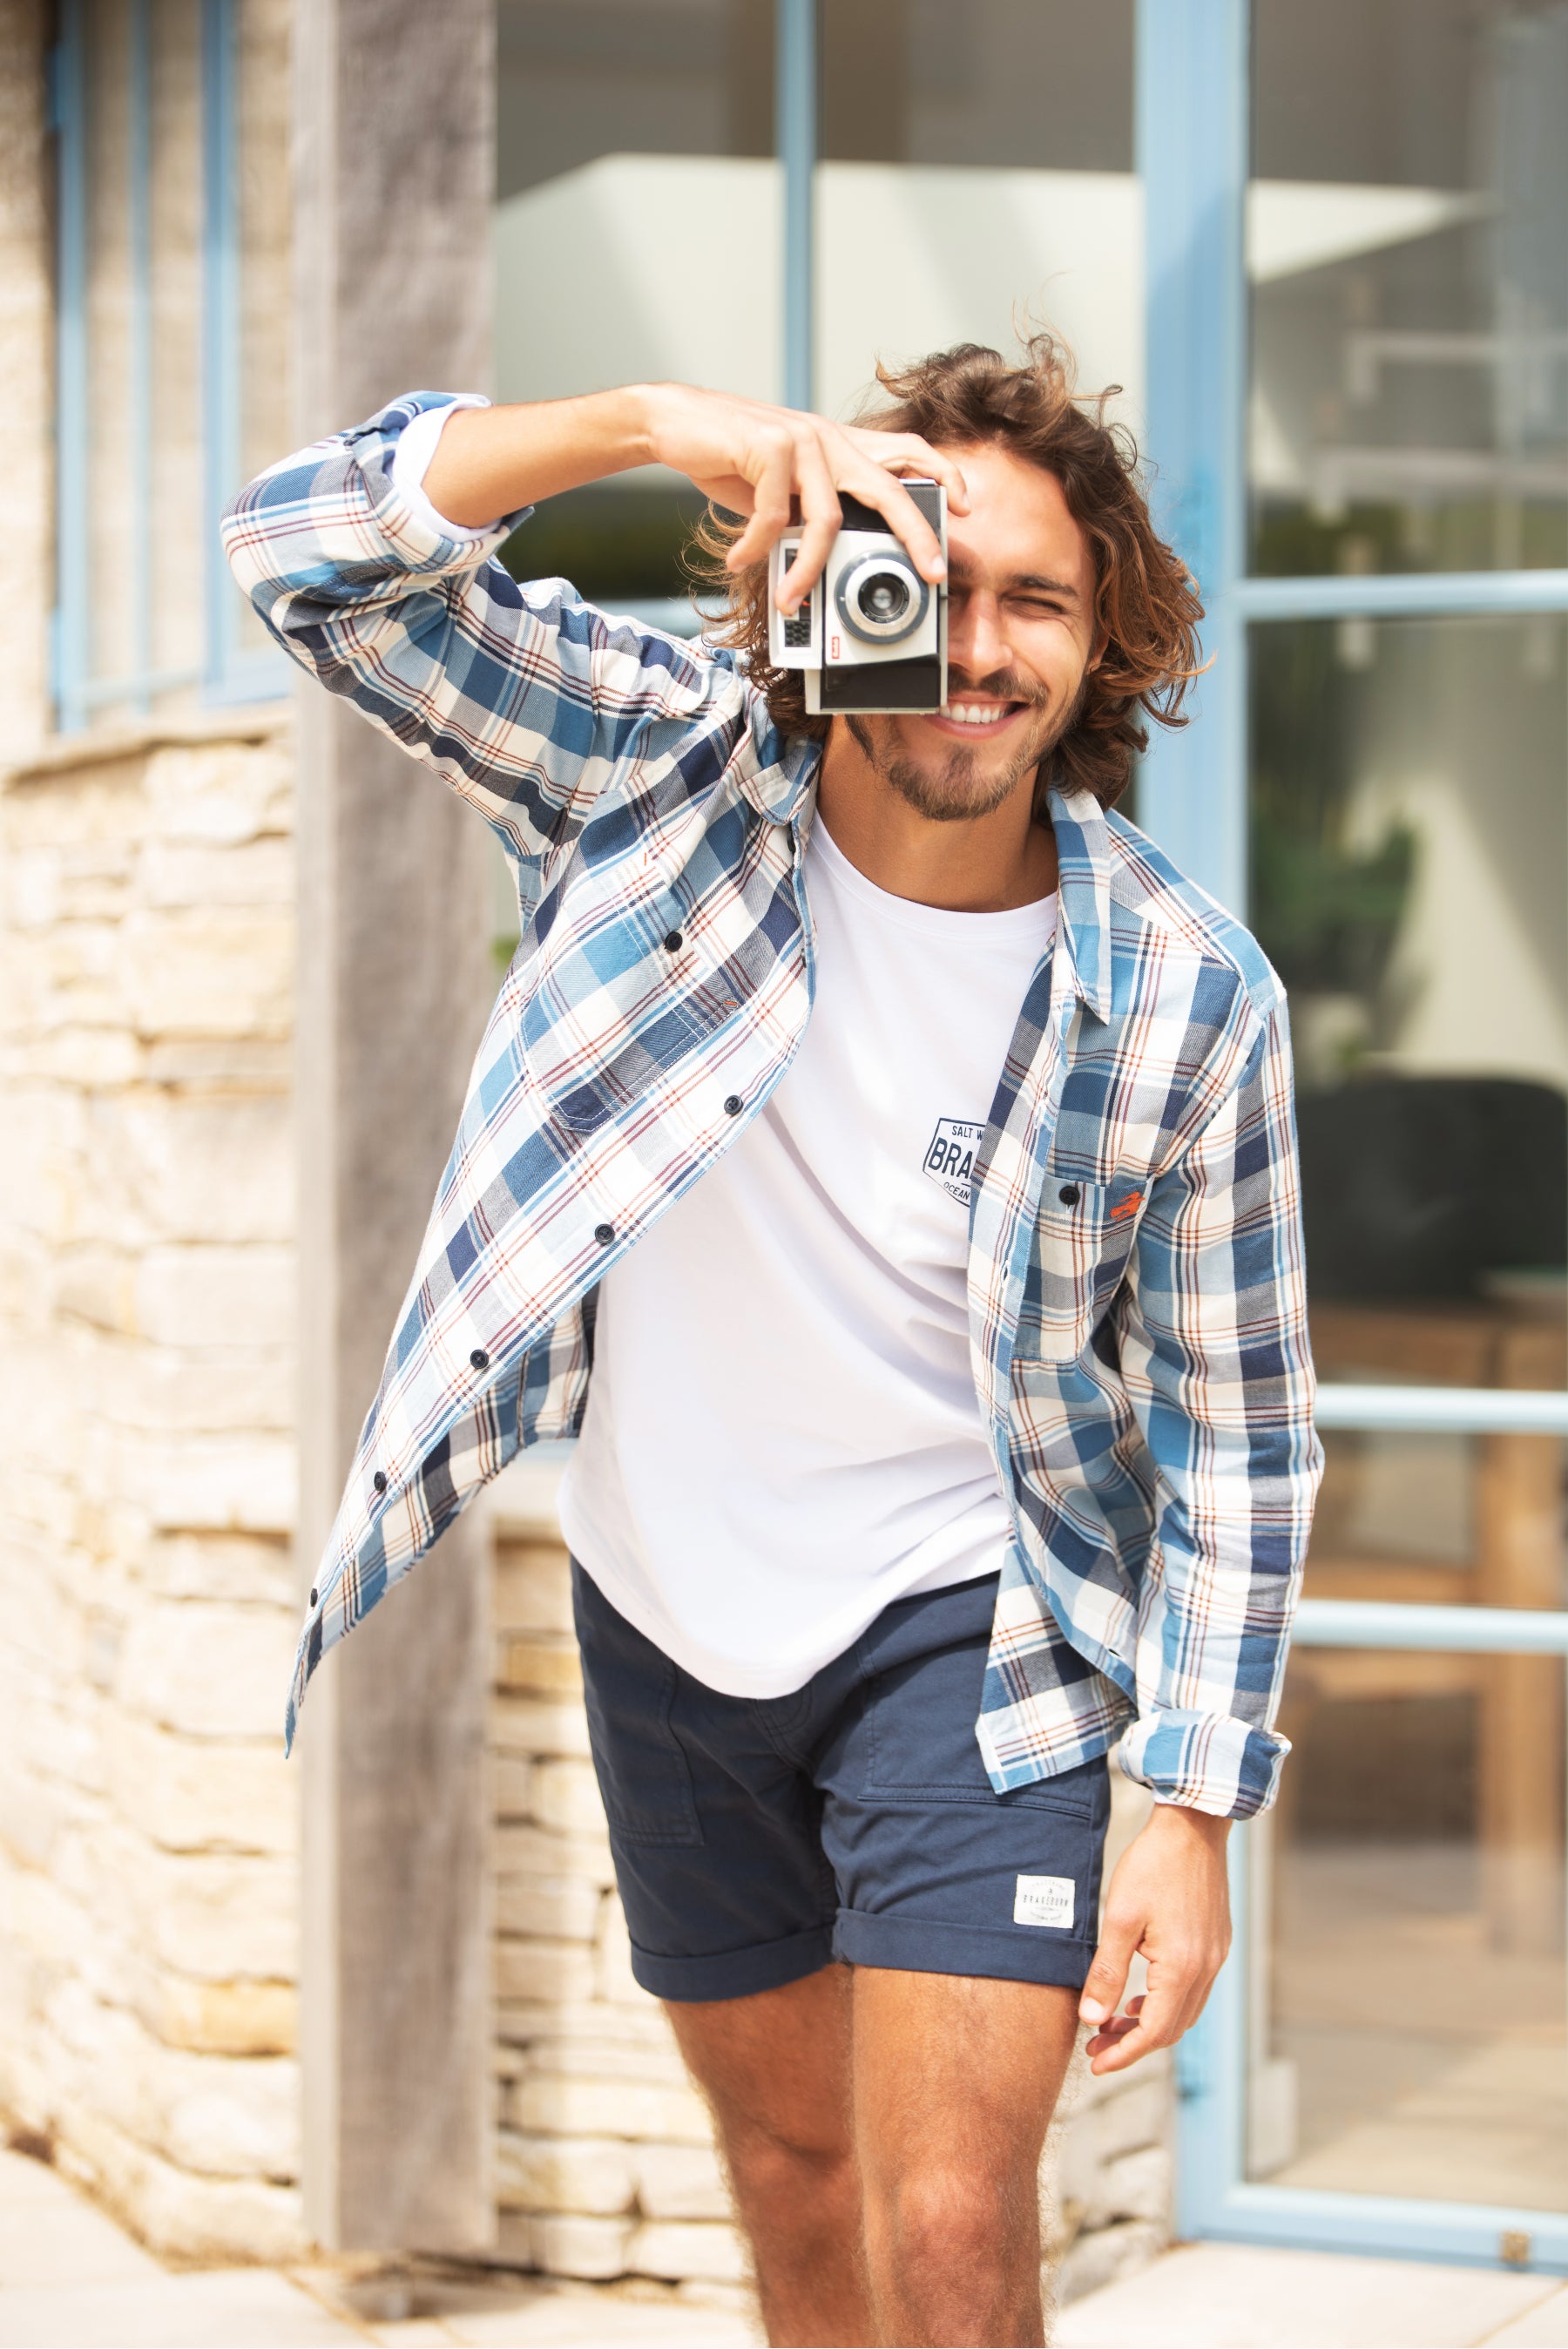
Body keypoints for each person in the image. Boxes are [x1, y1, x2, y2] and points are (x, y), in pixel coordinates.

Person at [225, 335, 1321, 2348]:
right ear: (818, 583)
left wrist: (1186, 1804)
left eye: (1035, 601)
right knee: (800, 2191)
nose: (973, 647)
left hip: (973, 1626)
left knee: (953, 2212)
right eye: (924, 573)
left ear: (1108, 645)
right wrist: (654, 428)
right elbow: (305, 554)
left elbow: (1243, 1432)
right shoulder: (656, 775)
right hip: (673, 1618)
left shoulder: (1184, 994)